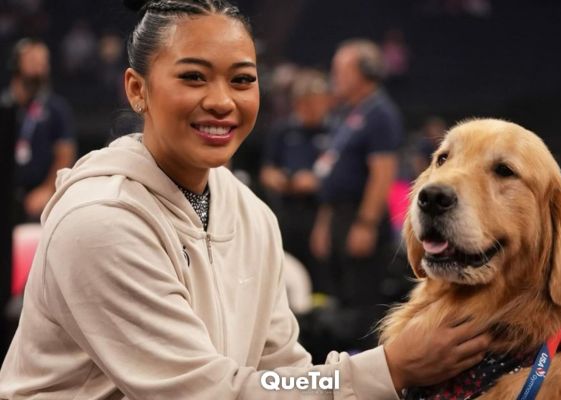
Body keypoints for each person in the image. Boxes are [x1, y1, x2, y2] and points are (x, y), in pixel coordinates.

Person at [0, 1, 490, 398]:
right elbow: (210, 394)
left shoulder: (250, 214)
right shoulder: (99, 222)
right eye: (193, 76)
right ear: (137, 90)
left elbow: (279, 376)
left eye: (241, 79)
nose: (222, 100)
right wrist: (387, 368)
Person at [310, 39, 403, 350]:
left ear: (364, 72)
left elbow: (382, 173)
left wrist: (365, 223)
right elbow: (330, 171)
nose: (334, 75)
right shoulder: (344, 114)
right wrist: (325, 223)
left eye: (341, 69)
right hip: (337, 213)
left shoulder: (381, 113)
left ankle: (368, 378)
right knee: (340, 296)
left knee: (363, 300)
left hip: (361, 214)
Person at [260, 68, 331, 292]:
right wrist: (279, 179)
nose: (308, 108)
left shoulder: (334, 131)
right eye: (303, 103)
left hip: (318, 213)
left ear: (326, 102)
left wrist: (315, 181)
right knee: (284, 271)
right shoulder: (283, 131)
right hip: (286, 212)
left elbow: (340, 177)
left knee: (320, 277)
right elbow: (266, 171)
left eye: (314, 102)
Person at [2, 38, 76, 224]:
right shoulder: (4, 106)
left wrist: (47, 189)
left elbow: (65, 154)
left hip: (39, 196)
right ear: (16, 64)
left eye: (44, 62)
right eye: (33, 61)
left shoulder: (56, 108)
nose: (40, 68)